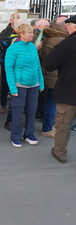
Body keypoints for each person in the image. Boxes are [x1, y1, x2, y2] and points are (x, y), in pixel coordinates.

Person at [43, 16, 76, 163]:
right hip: (69, 91)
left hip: (68, 92)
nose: (66, 28)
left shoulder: (68, 43)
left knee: (63, 125)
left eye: (68, 25)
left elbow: (49, 64)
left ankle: (60, 153)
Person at [5, 24, 44, 148]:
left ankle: (29, 134)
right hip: (19, 85)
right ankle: (15, 136)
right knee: (17, 113)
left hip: (34, 84)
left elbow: (38, 66)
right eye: (29, 33)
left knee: (31, 112)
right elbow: (9, 69)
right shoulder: (13, 48)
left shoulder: (32, 47)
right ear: (21, 34)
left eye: (32, 32)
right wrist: (12, 88)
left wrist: (41, 83)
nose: (32, 35)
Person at [40, 22, 67, 138]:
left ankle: (47, 125)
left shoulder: (46, 38)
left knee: (46, 102)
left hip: (45, 74)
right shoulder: (60, 40)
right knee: (52, 103)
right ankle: (47, 128)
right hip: (55, 75)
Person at [0, 12, 20, 114]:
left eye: (18, 18)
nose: (16, 19)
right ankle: (3, 104)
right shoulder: (4, 32)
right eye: (14, 17)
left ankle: (14, 105)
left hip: (19, 63)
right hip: (7, 62)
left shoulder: (21, 31)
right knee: (5, 84)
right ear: (10, 20)